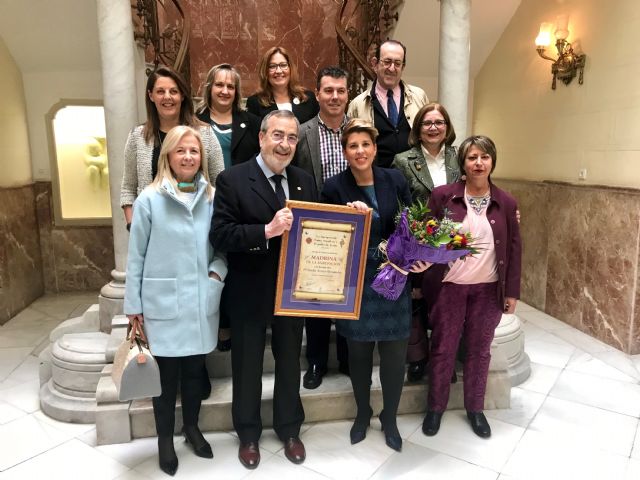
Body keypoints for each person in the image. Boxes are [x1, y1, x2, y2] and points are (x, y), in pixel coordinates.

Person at [210, 110, 317, 469]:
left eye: (291, 138)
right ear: (261, 137)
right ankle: (249, 435)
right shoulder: (232, 179)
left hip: (292, 291)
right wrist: (265, 231)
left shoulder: (303, 180)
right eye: (277, 135)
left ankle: (289, 428)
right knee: (247, 364)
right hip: (248, 290)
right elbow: (221, 234)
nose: (284, 144)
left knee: (289, 360)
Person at [124, 126, 227, 476]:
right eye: (181, 150)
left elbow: (221, 247)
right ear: (168, 155)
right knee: (166, 382)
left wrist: (216, 274)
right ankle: (165, 440)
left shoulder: (213, 198)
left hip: (200, 301)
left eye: (194, 152)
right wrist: (133, 306)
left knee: (196, 375)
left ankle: (192, 428)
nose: (188, 157)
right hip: (162, 303)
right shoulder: (149, 199)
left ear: (202, 158)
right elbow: (135, 256)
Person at [321, 119, 428, 452]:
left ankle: (390, 417)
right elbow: (330, 236)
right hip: (357, 283)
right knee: (358, 353)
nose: (360, 151)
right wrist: (352, 218)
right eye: (352, 146)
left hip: (394, 278)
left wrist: (417, 255)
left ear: (375, 147)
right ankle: (362, 412)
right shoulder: (334, 187)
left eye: (365, 144)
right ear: (344, 151)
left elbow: (411, 221)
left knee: (395, 355)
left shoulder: (394, 179)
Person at [120, 65, 224, 399]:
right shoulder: (139, 136)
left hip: (198, 229)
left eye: (173, 91)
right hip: (156, 231)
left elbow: (221, 181)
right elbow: (128, 188)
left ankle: (197, 368)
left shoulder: (204, 133)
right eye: (160, 91)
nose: (167, 97)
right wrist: (134, 224)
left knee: (195, 309)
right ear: (151, 96)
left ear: (183, 96)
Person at [421, 135, 521, 439]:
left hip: (488, 291)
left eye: (485, 157)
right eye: (472, 157)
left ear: (492, 161)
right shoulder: (442, 196)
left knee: (479, 352)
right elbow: (424, 238)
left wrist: (512, 292)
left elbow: (515, 248)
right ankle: (435, 408)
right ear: (462, 163)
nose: (479, 163)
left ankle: (475, 409)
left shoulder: (506, 202)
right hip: (449, 287)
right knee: (443, 349)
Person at [391, 103, 460, 382]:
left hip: (453, 242)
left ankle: (444, 359)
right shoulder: (402, 160)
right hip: (417, 238)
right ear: (418, 129)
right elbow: (398, 203)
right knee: (417, 300)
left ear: (447, 127)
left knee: (447, 303)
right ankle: (418, 358)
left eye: (439, 122)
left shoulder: (459, 157)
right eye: (427, 123)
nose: (433, 127)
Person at [196, 63, 261, 351]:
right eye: (219, 84)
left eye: (230, 86)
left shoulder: (252, 122)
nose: (224, 90)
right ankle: (218, 326)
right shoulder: (193, 122)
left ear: (237, 92)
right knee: (211, 264)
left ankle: (238, 323)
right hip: (204, 204)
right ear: (209, 87)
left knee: (240, 266)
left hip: (244, 204)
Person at [294, 65, 350, 389]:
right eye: (328, 90)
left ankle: (344, 357)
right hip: (314, 231)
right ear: (318, 94)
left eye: (340, 91)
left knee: (346, 298)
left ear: (347, 95)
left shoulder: (358, 131)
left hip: (350, 229)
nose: (334, 97)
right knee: (315, 300)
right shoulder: (302, 133)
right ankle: (315, 360)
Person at [347, 40, 428, 168]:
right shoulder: (357, 105)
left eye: (397, 63)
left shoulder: (419, 96)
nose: (392, 68)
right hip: (376, 180)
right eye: (387, 62)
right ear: (375, 64)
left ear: (403, 67)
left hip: (415, 182)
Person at [246, 46, 319, 124]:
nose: (278, 71)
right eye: (272, 66)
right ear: (265, 71)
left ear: (290, 68)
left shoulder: (308, 98)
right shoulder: (255, 102)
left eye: (283, 65)